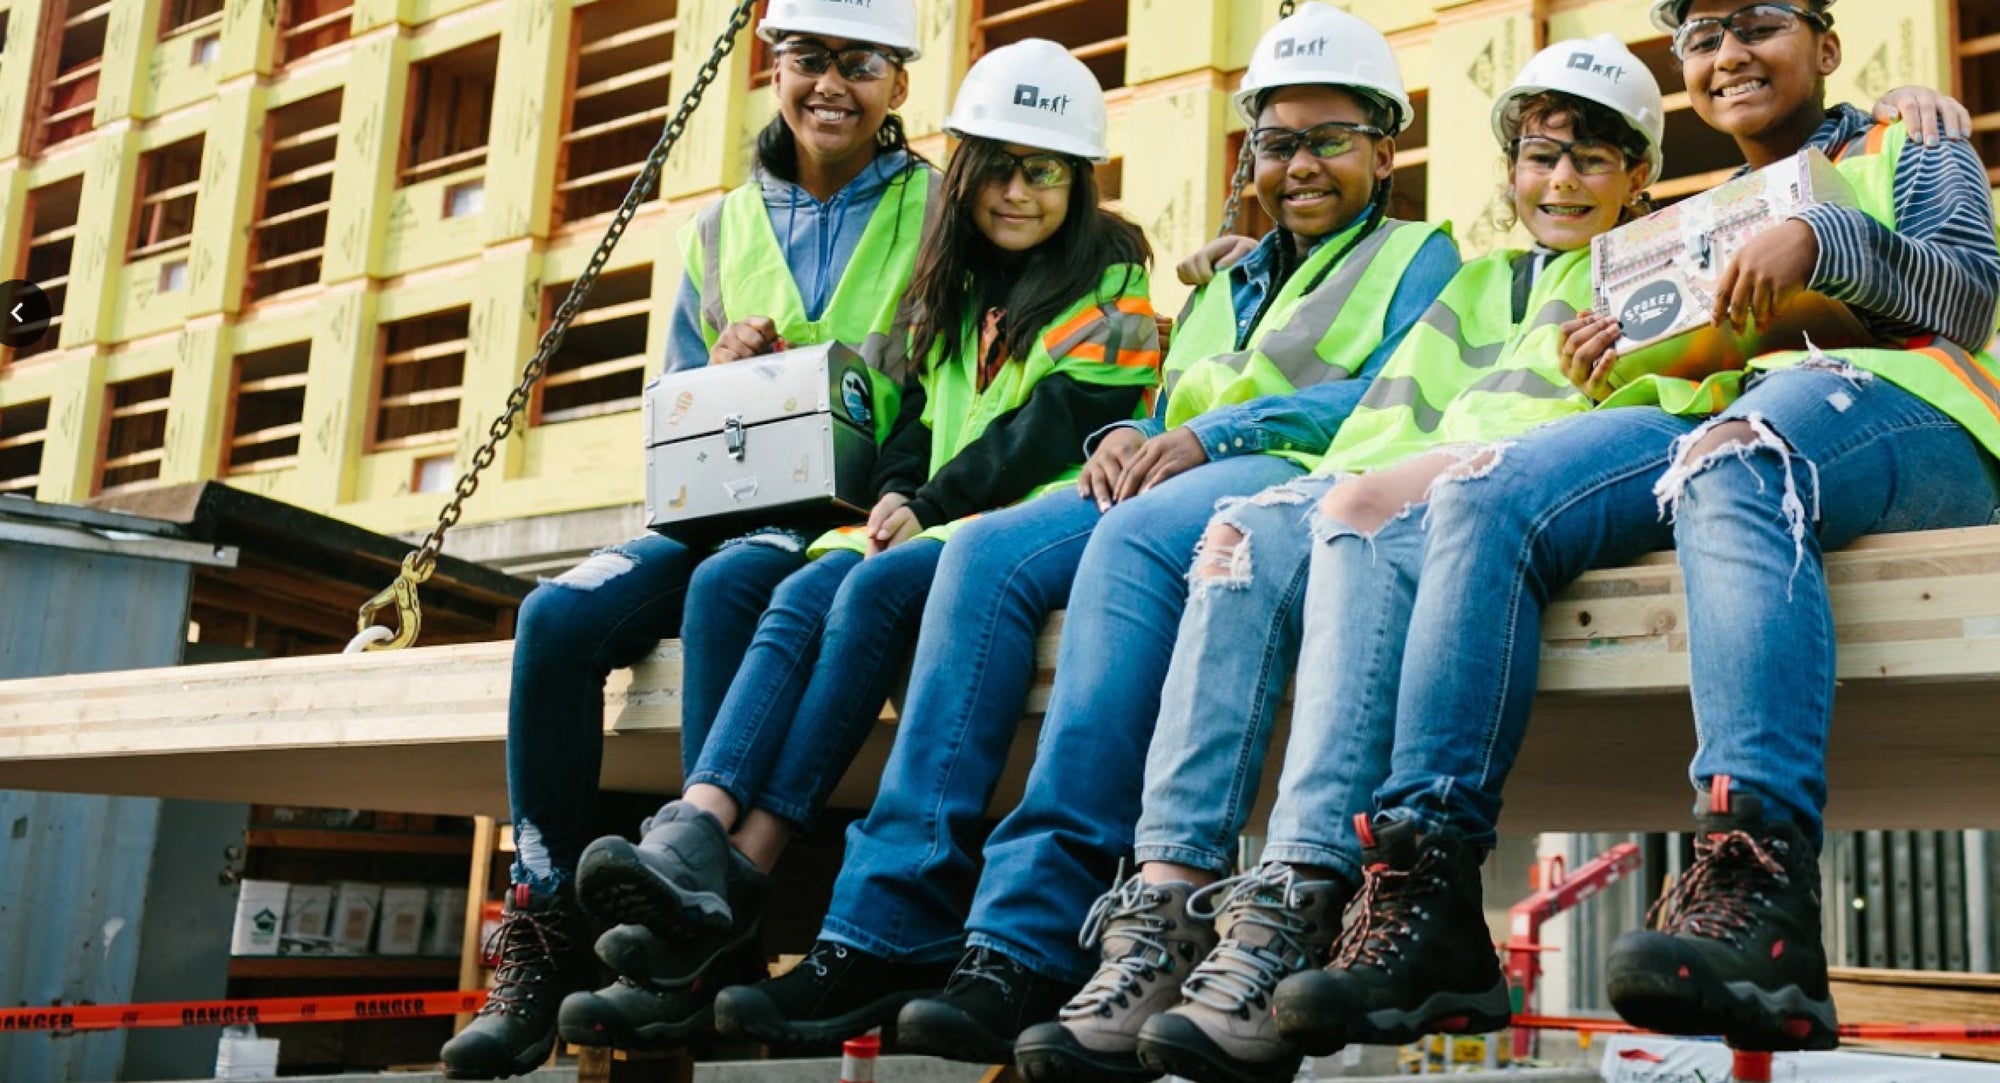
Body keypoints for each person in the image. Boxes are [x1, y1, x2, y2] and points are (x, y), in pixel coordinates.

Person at [711, 2, 1461, 1061]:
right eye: (1278, 142)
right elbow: (1161, 395)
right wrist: (1127, 432)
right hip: (1168, 471)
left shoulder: (1422, 257)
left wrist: (1207, 437)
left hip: (1286, 480)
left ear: (1384, 150)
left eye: (1328, 140)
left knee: (1128, 546)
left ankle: (1023, 938)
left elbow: (1395, 397)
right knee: (972, 551)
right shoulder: (1230, 275)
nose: (1299, 165)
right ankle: (886, 924)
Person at [1267, 0, 2000, 1058]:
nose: (1726, 54)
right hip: (1753, 417)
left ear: (1825, 48)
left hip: (1918, 423)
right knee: (1482, 492)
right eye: (1701, 40)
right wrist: (1624, 349)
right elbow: (1716, 368)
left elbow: (1966, 296)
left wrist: (1821, 235)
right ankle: (1426, 892)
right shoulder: (1700, 221)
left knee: (1734, 455)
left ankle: (1757, 879)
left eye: (1755, 24)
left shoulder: (1907, 138)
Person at [1014, 36, 1665, 1083]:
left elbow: (1628, 427)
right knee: (1235, 536)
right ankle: (1166, 911)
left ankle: (1295, 900)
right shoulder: (1480, 282)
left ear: (1638, 176)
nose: (1558, 181)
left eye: (1590, 161)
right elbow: (1374, 430)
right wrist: (1292, 498)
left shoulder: (1651, 262)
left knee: (1355, 521)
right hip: (1389, 486)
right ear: (1509, 170)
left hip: (1489, 506)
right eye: (1539, 156)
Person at [551, 36, 1163, 1051]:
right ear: (960, 175)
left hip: (1028, 513)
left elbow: (1051, 423)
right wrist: (891, 492)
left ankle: (744, 866)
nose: (1016, 192)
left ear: (1076, 179)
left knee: (872, 595)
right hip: (939, 511)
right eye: (996, 169)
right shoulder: (959, 287)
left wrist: (925, 505)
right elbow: (917, 415)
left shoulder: (1112, 272)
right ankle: (701, 827)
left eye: (1042, 171)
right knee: (802, 589)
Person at [439, 1, 935, 1075]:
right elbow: (674, 407)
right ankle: (548, 929)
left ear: (898, 81)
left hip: (849, 514)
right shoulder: (720, 225)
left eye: (860, 64)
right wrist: (718, 368)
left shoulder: (937, 212)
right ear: (772, 66)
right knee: (557, 617)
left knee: (733, 588)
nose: (830, 86)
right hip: (722, 502)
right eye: (808, 59)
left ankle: (706, 943)